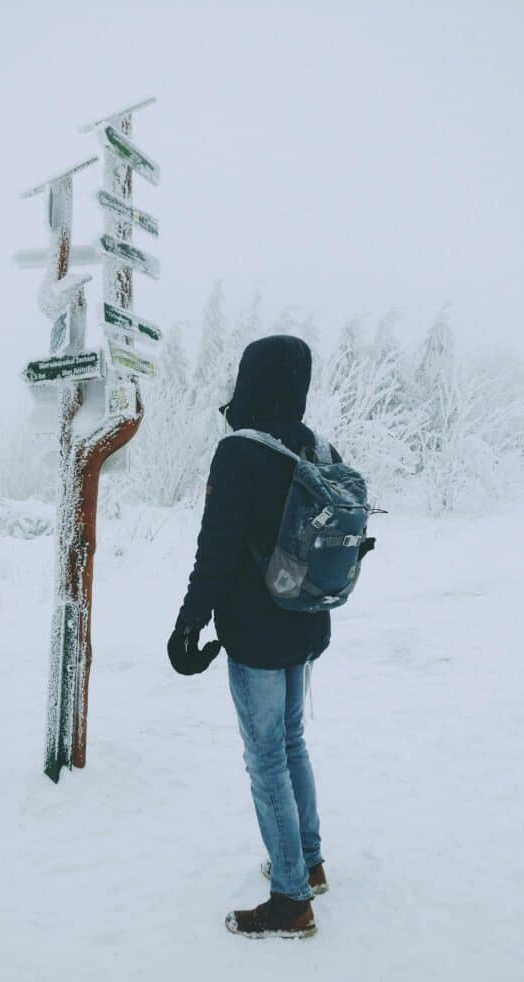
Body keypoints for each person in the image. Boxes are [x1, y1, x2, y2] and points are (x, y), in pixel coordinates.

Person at [167, 334, 344, 940]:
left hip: (257, 633)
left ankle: (291, 900)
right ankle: (309, 862)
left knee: (267, 755)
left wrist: (188, 623)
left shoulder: (239, 451)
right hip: (306, 621)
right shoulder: (319, 447)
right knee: (291, 741)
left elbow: (214, 551)